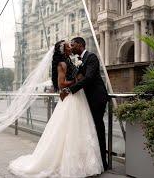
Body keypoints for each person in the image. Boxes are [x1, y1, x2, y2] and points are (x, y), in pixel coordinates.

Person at [9, 40, 104, 177]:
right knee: (70, 130)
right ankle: (72, 164)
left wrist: (75, 81)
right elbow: (61, 85)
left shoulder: (70, 61)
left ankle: (83, 163)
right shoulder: (63, 64)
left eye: (72, 44)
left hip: (77, 97)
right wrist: (74, 82)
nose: (71, 47)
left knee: (80, 129)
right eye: (68, 45)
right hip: (72, 98)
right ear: (63, 50)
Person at [60, 37, 109, 171]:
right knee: (91, 130)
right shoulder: (81, 61)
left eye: (73, 44)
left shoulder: (91, 57)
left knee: (98, 128)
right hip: (88, 99)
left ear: (80, 45)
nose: (71, 46)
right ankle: (95, 161)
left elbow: (89, 78)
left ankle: (103, 162)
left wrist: (70, 89)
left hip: (97, 98)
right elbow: (79, 78)